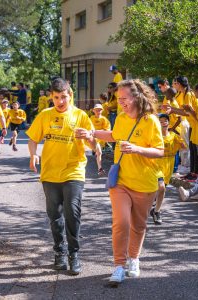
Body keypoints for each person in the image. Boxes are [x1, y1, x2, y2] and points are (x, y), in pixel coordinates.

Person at [75, 79, 164, 285]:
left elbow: (160, 151)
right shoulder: (122, 118)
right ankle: (118, 266)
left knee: (139, 225)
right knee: (121, 223)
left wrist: (137, 149)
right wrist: (92, 133)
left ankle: (134, 258)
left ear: (136, 97)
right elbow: (114, 136)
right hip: (120, 180)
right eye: (118, 99)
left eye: (124, 99)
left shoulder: (150, 121)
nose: (120, 102)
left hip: (144, 182)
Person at [26, 78, 96, 275]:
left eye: (63, 97)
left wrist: (89, 138)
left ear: (70, 94)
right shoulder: (45, 115)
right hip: (49, 172)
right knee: (54, 215)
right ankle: (60, 252)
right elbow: (32, 139)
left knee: (72, 212)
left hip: (74, 170)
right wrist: (33, 155)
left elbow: (94, 145)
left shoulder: (80, 115)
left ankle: (74, 254)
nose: (60, 101)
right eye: (56, 97)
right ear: (51, 97)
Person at [151, 113, 185, 225]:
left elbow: (184, 147)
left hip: (169, 165)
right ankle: (157, 211)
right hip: (157, 164)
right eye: (160, 121)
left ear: (168, 123)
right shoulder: (154, 136)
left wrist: (181, 142)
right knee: (161, 188)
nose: (163, 123)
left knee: (161, 189)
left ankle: (155, 209)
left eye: (165, 121)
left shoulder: (173, 136)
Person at [90, 104, 111, 175]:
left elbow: (107, 129)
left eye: (99, 110)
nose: (98, 111)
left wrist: (99, 132)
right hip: (93, 138)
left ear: (102, 111)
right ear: (93, 110)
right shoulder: (91, 118)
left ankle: (94, 150)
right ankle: (100, 168)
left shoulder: (104, 119)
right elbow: (87, 126)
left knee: (98, 153)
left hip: (101, 139)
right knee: (99, 153)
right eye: (96, 110)